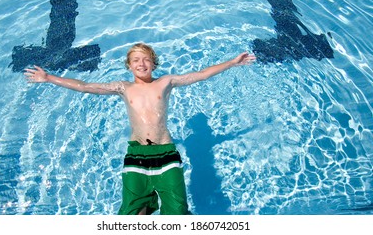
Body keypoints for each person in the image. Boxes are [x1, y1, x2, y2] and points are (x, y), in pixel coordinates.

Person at [24, 43, 256, 215]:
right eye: (135, 60)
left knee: (177, 212)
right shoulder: (123, 88)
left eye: (145, 59)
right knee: (133, 213)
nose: (141, 64)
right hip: (136, 156)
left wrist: (232, 62)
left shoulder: (165, 82)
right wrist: (49, 78)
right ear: (129, 66)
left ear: (153, 63)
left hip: (166, 154)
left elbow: (201, 75)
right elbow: (85, 86)